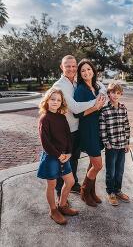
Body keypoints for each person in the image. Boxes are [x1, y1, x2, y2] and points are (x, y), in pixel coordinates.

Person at [51, 55, 106, 199]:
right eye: (67, 66)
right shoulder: (59, 86)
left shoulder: (74, 83)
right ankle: (60, 198)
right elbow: (75, 108)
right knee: (62, 164)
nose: (71, 69)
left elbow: (100, 86)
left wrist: (99, 98)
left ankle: (74, 184)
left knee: (74, 160)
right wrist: (96, 103)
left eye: (74, 66)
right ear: (61, 67)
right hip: (63, 132)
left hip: (76, 129)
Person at [36, 88, 79, 225]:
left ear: (62, 103)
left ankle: (62, 205)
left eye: (58, 100)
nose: (55, 102)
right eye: (52, 99)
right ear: (47, 100)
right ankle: (53, 210)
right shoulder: (45, 119)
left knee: (70, 182)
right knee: (52, 184)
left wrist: (69, 152)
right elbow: (45, 142)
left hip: (64, 156)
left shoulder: (62, 117)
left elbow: (68, 136)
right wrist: (58, 155)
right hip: (51, 157)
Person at [73, 59, 107, 207]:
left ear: (93, 70)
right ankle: (85, 192)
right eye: (83, 71)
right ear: (80, 74)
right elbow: (77, 114)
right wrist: (95, 107)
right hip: (88, 130)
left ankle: (91, 192)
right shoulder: (80, 89)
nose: (86, 72)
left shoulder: (95, 87)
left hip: (97, 128)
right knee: (98, 165)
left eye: (88, 69)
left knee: (93, 163)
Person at [99, 83, 132, 206]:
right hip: (111, 147)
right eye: (113, 93)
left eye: (118, 93)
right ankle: (110, 192)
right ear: (108, 94)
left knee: (120, 170)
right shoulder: (104, 110)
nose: (116, 95)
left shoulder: (123, 108)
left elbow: (126, 126)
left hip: (122, 145)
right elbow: (102, 129)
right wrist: (107, 143)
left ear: (121, 94)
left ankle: (118, 190)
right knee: (111, 171)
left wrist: (127, 142)